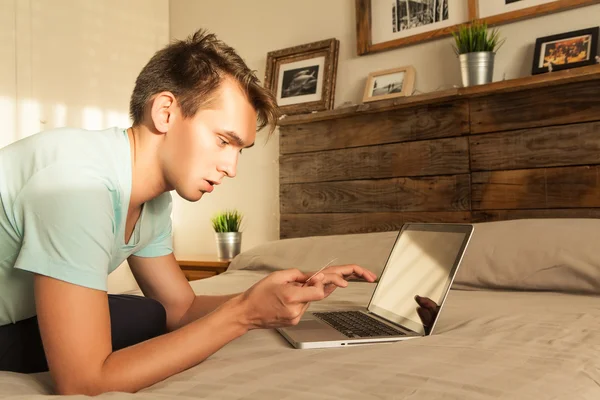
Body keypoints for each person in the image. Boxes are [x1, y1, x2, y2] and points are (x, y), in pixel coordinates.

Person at [0, 29, 377, 395]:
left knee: (149, 315)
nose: (231, 167)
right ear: (165, 112)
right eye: (223, 140)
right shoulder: (78, 182)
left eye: (239, 149)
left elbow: (181, 307)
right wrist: (243, 314)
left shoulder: (153, 199)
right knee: (140, 319)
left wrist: (271, 294)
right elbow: (82, 384)